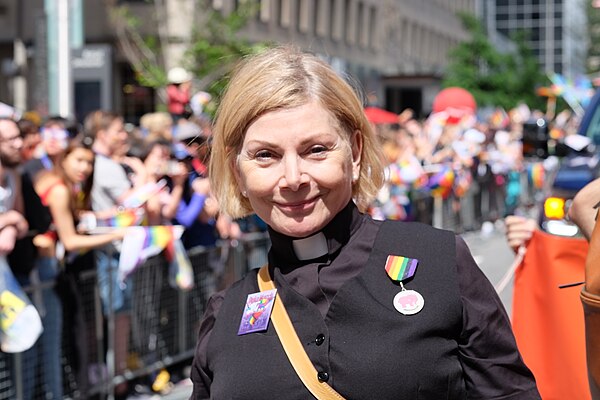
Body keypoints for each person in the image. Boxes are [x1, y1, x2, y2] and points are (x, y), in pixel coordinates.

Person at [189, 46, 540, 399]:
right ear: (238, 171)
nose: (293, 178)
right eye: (266, 155)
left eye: (316, 150)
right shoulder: (226, 313)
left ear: (355, 153)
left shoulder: (439, 260)